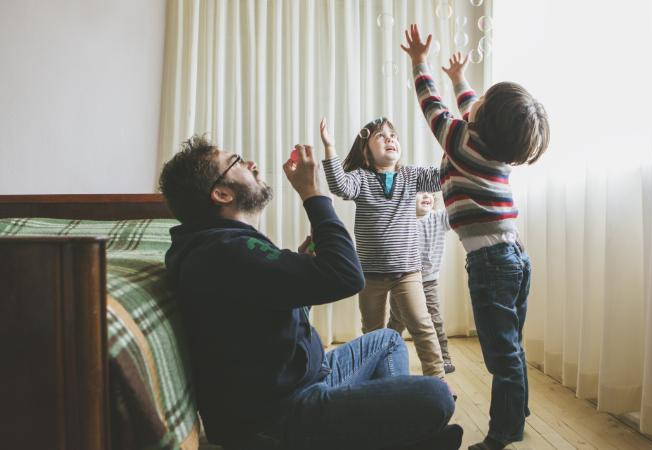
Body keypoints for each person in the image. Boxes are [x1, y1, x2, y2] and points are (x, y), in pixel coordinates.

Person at [159, 135, 462, 450]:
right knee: (437, 397)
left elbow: (271, 315)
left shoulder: (220, 247)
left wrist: (302, 266)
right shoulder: (229, 251)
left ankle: (391, 436)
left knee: (388, 341)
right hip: (283, 415)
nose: (251, 164)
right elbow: (348, 275)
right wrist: (312, 192)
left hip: (306, 378)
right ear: (221, 193)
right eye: (236, 162)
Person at [401, 24, 550, 450]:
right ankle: (515, 408)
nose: (473, 103)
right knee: (511, 348)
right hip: (514, 257)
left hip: (492, 264)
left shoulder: (462, 144)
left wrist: (420, 63)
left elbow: (433, 108)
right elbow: (470, 106)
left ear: (482, 121)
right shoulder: (491, 146)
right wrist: (460, 79)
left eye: (480, 103)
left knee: (500, 356)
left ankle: (502, 433)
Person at [319, 117, 447, 379]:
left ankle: (439, 381)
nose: (390, 139)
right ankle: (377, 382)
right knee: (373, 333)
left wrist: (452, 145)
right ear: (366, 153)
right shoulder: (361, 178)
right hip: (370, 275)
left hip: (408, 272)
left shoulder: (410, 176)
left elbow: (441, 178)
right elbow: (339, 186)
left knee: (422, 327)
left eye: (393, 135)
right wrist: (329, 148)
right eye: (381, 136)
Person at [387, 192, 455, 373]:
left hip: (429, 281)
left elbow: (455, 210)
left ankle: (444, 358)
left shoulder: (439, 218)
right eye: (419, 192)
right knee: (397, 320)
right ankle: (385, 355)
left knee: (435, 319)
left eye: (429, 193)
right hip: (403, 281)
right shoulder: (403, 220)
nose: (426, 195)